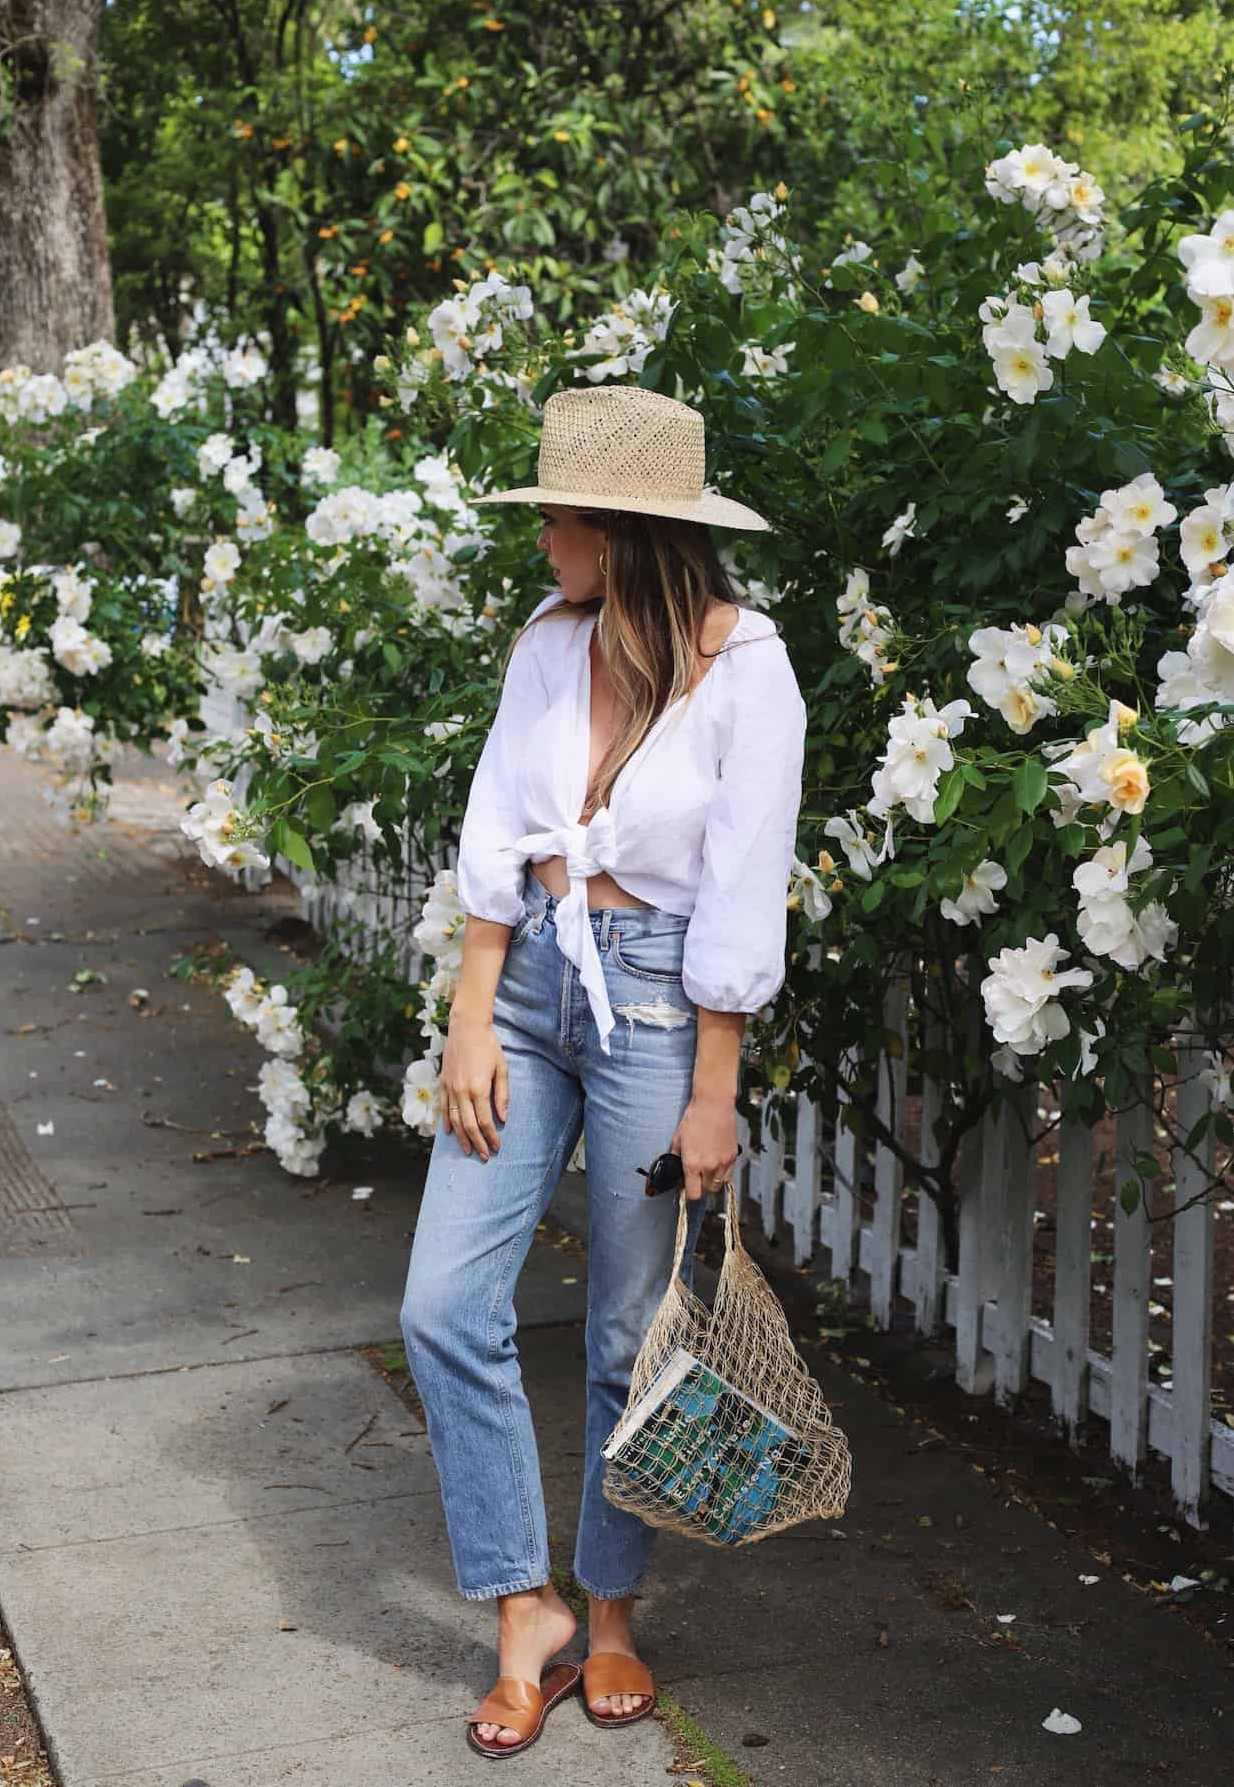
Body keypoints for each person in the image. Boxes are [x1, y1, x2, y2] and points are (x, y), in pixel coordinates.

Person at [398, 384, 807, 1759]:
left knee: (631, 1324)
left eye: (560, 518)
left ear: (623, 531)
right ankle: (529, 1605)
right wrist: (466, 1015)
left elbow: (743, 887)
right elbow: (492, 834)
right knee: (444, 1301)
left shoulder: (748, 669)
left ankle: (613, 1607)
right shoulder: (545, 643)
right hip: (520, 996)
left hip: (655, 1006)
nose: (543, 542)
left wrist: (713, 1083)